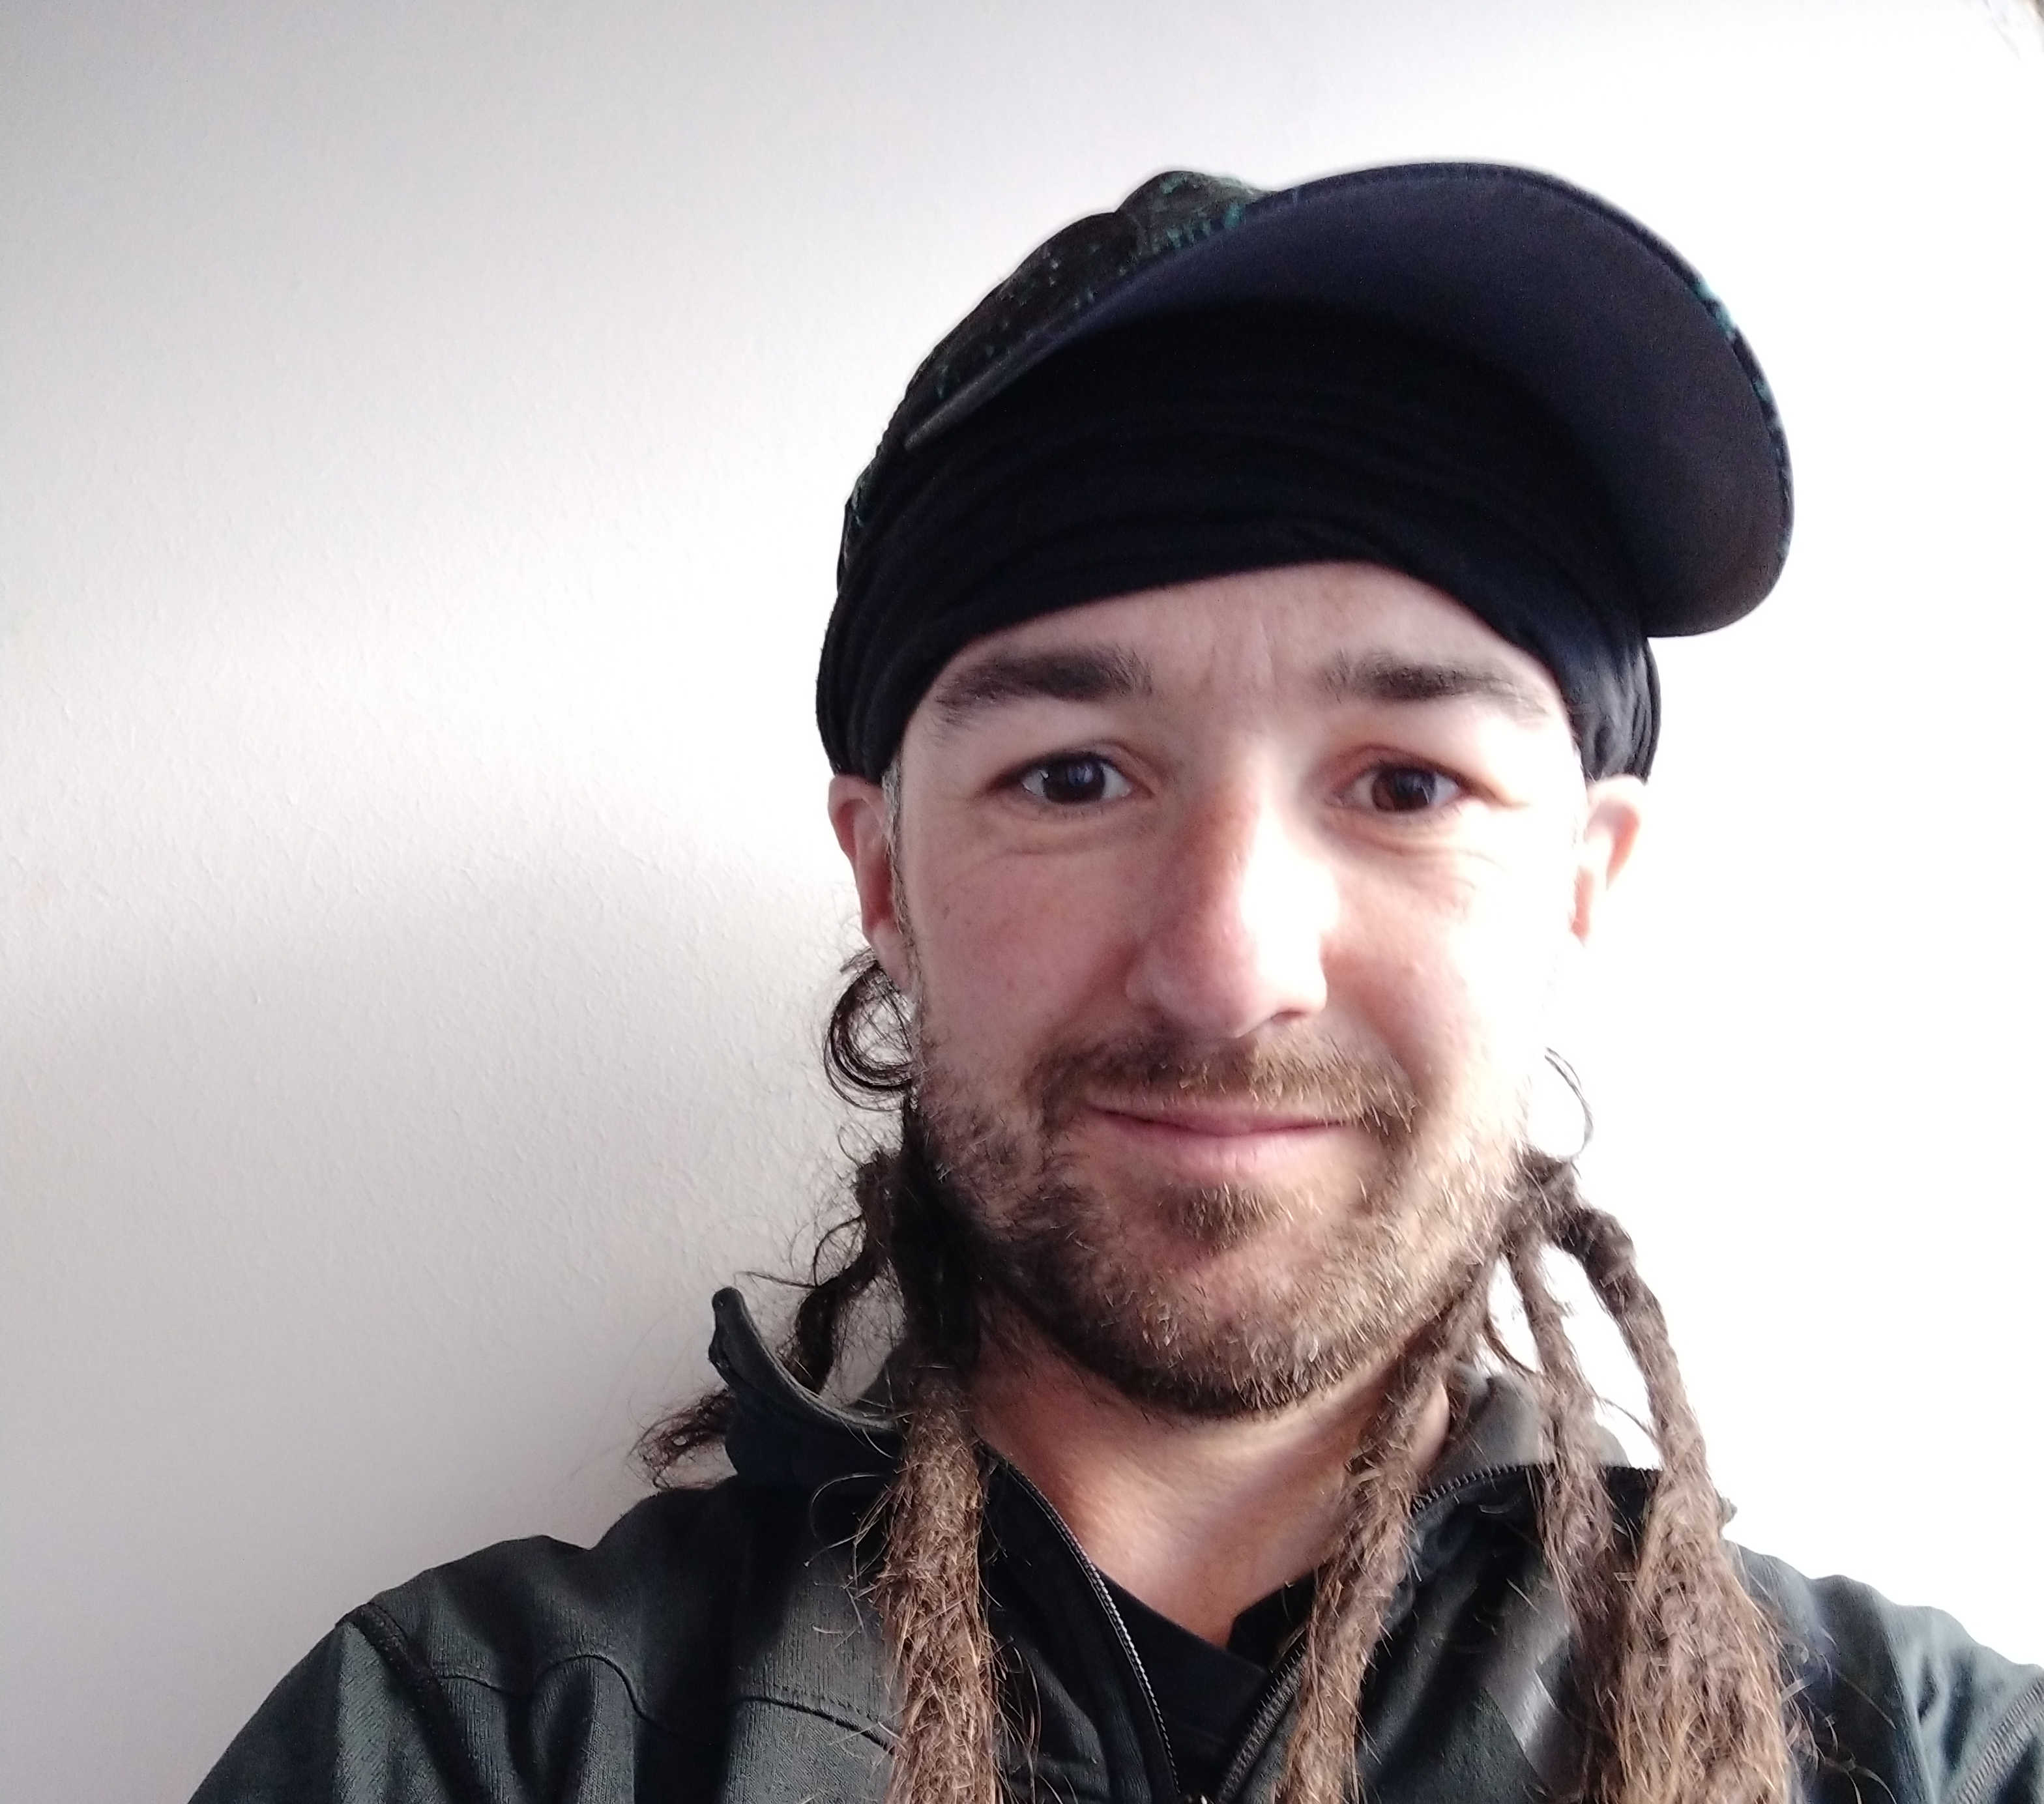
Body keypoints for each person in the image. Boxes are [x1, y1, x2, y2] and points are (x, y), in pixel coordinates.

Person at [190, 163, 2043, 1804]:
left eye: (1407, 786)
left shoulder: (1925, 1757)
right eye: (1073, 777)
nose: (1230, 966)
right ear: (886, 874)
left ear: (1580, 883)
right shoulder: (482, 1745)